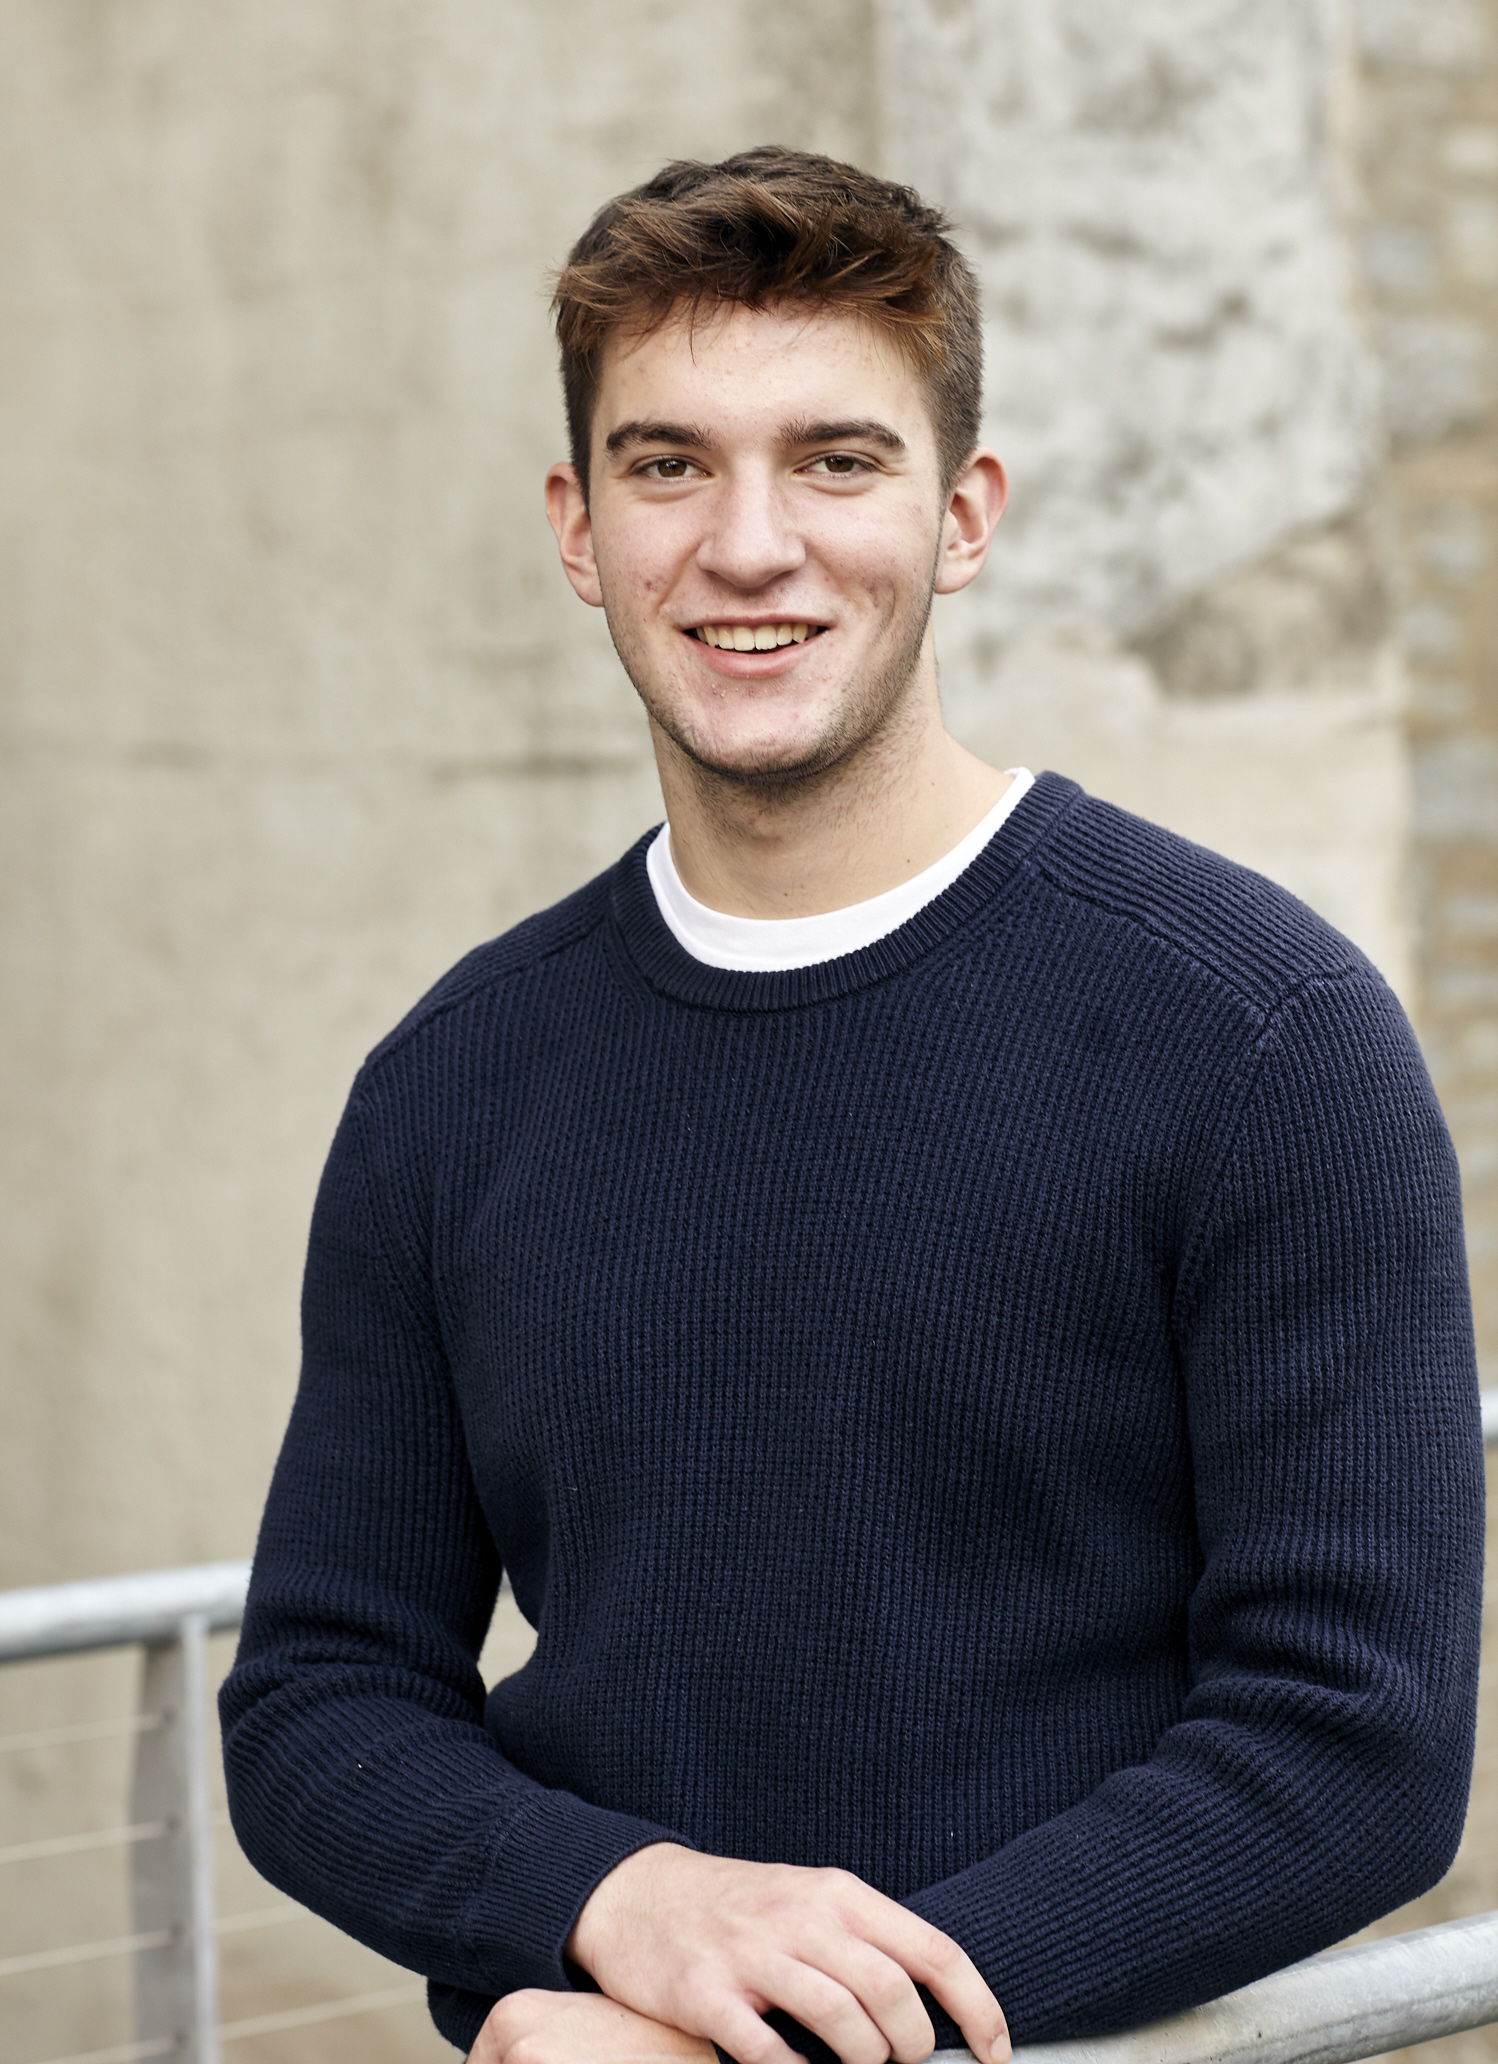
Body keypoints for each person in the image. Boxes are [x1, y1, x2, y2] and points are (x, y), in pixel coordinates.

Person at [219, 147, 1485, 2064]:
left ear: (961, 514)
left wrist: (794, 2038)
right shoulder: (452, 1084)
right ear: (578, 526)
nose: (747, 544)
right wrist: (620, 1906)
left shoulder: (1258, 1032)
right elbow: (319, 1697)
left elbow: (1350, 1744)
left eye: (834, 458)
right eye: (668, 465)